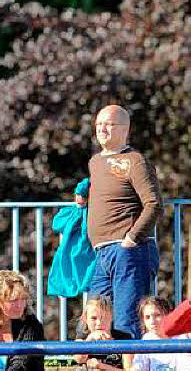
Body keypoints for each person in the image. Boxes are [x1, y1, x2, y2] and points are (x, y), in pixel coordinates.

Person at [81, 105, 162, 339]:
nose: (101, 129)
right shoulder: (95, 162)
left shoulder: (135, 161)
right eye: (98, 124)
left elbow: (154, 203)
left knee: (127, 322)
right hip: (102, 253)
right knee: (95, 320)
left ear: (124, 129)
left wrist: (131, 239)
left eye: (108, 124)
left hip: (129, 252)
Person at [74, 294, 131, 370]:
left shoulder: (124, 339)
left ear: (111, 317)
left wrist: (102, 366)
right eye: (93, 318)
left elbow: (129, 369)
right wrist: (89, 340)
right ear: (85, 319)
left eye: (104, 318)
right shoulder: (82, 339)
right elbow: (79, 359)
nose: (99, 323)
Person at [132, 297, 183, 371]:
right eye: (147, 317)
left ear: (168, 314)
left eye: (157, 315)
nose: (152, 322)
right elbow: (138, 368)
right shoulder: (146, 339)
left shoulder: (181, 338)